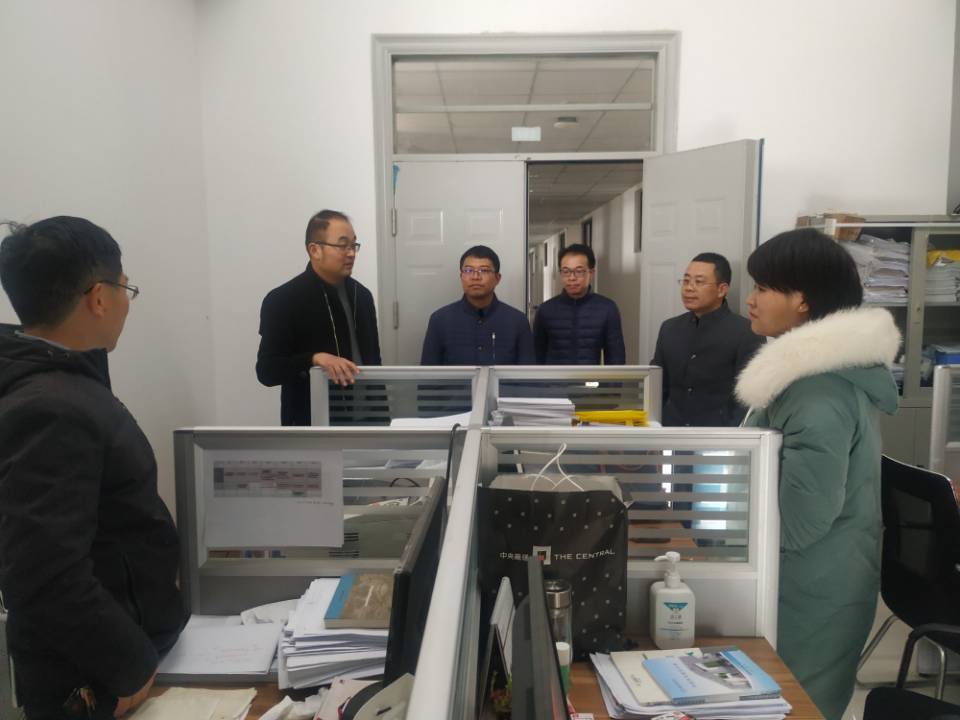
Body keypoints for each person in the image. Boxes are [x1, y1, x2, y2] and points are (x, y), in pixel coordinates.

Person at [0, 217, 187, 719]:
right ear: (99, 297)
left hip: (121, 656)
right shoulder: (50, 407)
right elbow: (44, 575)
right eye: (125, 288)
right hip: (95, 680)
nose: (127, 302)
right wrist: (130, 665)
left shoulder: (64, 382)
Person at [735, 229, 900, 720]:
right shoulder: (807, 377)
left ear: (802, 300)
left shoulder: (817, 390)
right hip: (814, 574)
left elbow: (803, 521)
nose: (751, 299)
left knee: (797, 707)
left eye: (763, 287)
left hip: (812, 586)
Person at [257, 210, 381, 425]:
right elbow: (267, 371)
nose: (351, 253)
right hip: (312, 426)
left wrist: (383, 420)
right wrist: (314, 359)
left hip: (368, 423)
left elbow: (374, 362)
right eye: (343, 245)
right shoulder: (283, 299)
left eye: (354, 245)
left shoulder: (362, 296)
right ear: (315, 250)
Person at [651, 252, 762, 426]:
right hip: (670, 431)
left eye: (699, 282)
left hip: (718, 434)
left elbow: (747, 399)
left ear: (722, 289)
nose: (689, 288)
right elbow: (657, 386)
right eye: (686, 281)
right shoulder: (669, 328)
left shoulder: (746, 331)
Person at [420, 245, 534, 365]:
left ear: (497, 278)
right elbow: (428, 374)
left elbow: (528, 374)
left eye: (484, 270)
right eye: (468, 270)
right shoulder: (439, 320)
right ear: (461, 276)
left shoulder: (518, 321)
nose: (475, 277)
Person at [532, 243, 626, 365]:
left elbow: (616, 358)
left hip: (590, 377)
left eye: (579, 271)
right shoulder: (545, 310)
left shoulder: (607, 309)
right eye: (566, 271)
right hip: (554, 377)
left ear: (591, 273)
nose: (572, 277)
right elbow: (536, 356)